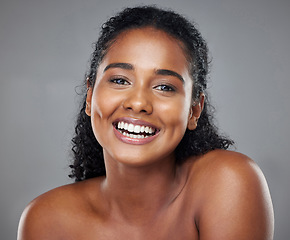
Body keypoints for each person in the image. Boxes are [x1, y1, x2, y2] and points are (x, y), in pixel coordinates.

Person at [17, 6, 274, 240]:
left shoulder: (228, 182)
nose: (138, 102)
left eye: (164, 87)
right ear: (90, 95)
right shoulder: (46, 220)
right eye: (120, 80)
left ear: (194, 110)